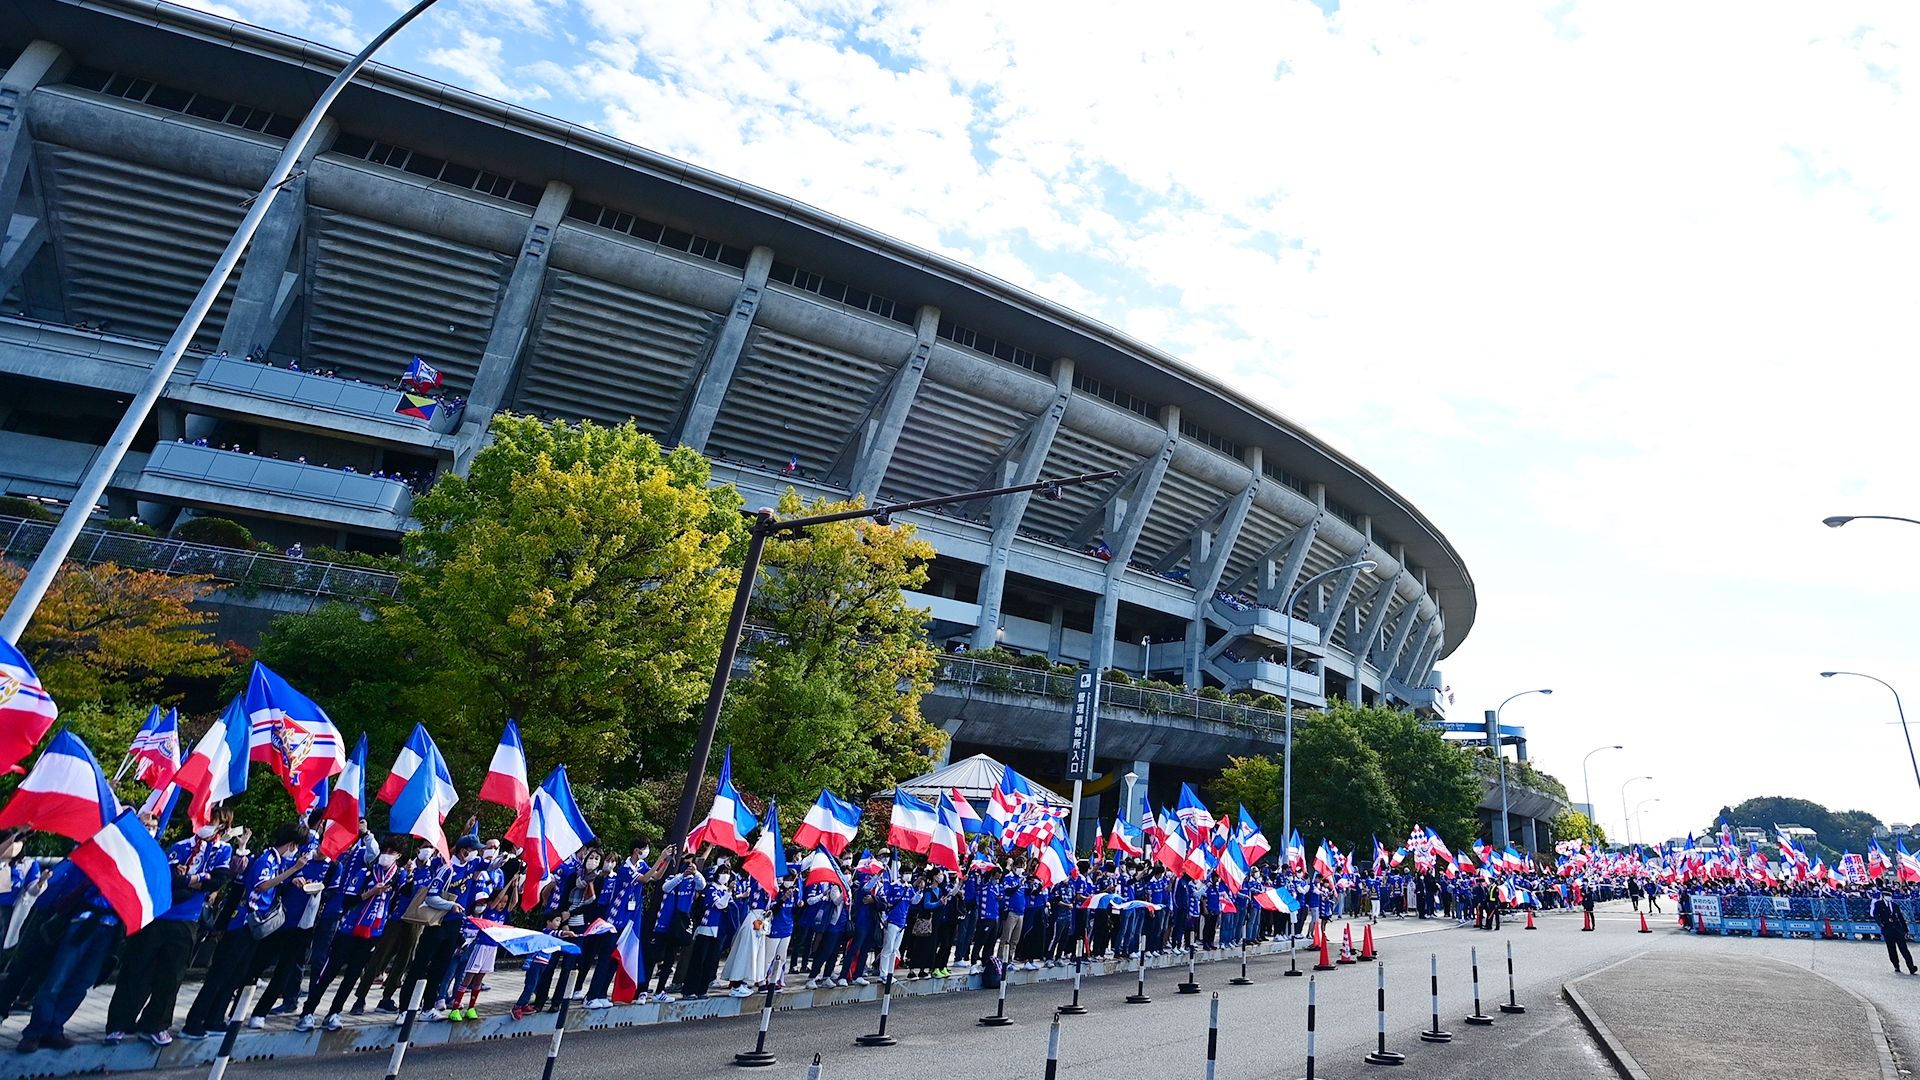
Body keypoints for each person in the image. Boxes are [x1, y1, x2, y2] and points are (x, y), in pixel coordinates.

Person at [104, 812, 235, 1046]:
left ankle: (155, 1024)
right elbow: (171, 879)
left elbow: (217, 880)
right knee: (136, 969)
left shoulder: (223, 850)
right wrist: (197, 880)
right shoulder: (181, 846)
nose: (207, 825)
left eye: (213, 821)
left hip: (187, 919)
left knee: (171, 976)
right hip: (158, 914)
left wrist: (192, 879)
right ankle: (119, 1023)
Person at [182, 822, 312, 1040]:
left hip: (254, 929)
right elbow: (262, 885)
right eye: (296, 846)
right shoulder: (266, 859)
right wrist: (294, 870)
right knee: (220, 974)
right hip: (242, 925)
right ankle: (194, 1021)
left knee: (236, 975)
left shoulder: (277, 862)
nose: (296, 852)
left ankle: (215, 1018)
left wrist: (293, 877)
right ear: (291, 844)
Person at [1870, 891, 1917, 975]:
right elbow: (1875, 914)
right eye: (1887, 895)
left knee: (1904, 949)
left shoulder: (1895, 905)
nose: (1889, 897)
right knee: (1892, 949)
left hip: (1898, 930)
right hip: (1887, 929)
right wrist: (1880, 924)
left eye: (1890, 895)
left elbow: (1900, 917)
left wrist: (1905, 930)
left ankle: (1911, 967)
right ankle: (1896, 966)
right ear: (1883, 896)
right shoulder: (1878, 904)